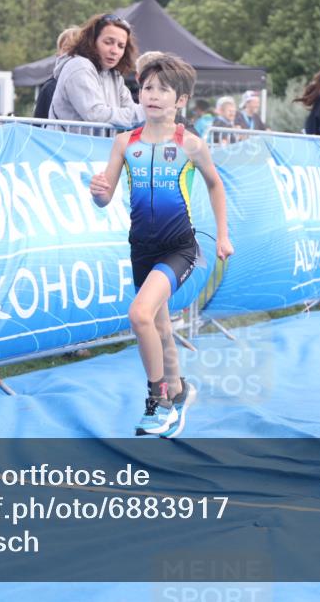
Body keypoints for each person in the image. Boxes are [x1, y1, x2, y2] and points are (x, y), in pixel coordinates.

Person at [89, 54, 233, 438]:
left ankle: (160, 401)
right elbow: (106, 198)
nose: (151, 96)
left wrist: (222, 234)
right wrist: (98, 193)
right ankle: (181, 390)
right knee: (159, 325)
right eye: (146, 88)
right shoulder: (124, 143)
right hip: (142, 247)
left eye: (162, 90)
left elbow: (215, 184)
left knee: (139, 315)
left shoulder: (191, 144)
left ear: (180, 100)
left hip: (180, 247)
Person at [50, 13, 144, 128]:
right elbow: (95, 114)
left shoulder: (114, 75)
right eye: (108, 42)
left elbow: (130, 109)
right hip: (69, 145)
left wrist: (152, 110)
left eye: (121, 46)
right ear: (92, 41)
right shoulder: (79, 66)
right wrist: (148, 114)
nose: (115, 51)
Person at [34, 26, 81, 119]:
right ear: (58, 53)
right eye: (68, 49)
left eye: (77, 49)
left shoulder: (96, 83)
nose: (72, 54)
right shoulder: (51, 87)